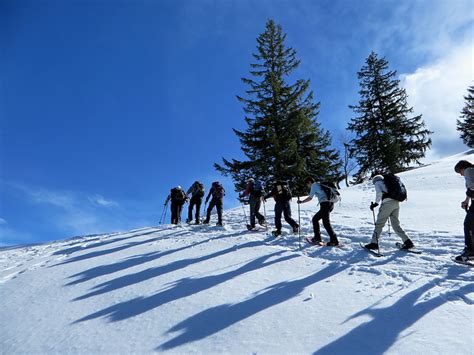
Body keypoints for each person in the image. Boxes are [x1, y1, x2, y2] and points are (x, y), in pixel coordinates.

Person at [364, 174, 414, 250]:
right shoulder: (388, 183)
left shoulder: (378, 182)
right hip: (396, 203)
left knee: (379, 224)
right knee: (396, 225)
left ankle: (374, 243)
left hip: (387, 204)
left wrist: (376, 203)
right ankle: (408, 242)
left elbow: (379, 193)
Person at [298, 176, 339, 246]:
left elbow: (310, 197)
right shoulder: (320, 184)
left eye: (307, 184)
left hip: (325, 204)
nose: (308, 186)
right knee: (315, 219)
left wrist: (301, 202)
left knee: (325, 222)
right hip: (330, 204)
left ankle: (334, 240)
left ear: (309, 182)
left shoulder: (314, 185)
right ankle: (318, 237)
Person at [454, 160, 474, 262]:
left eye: (459, 172)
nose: (461, 175)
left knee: (468, 225)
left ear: (462, 168)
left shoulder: (468, 170)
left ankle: (470, 252)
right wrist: (466, 200)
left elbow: (472, 187)